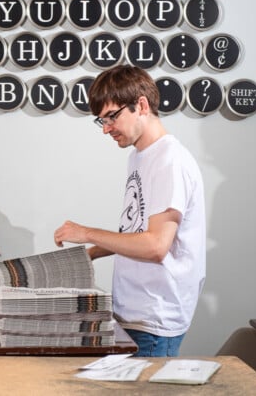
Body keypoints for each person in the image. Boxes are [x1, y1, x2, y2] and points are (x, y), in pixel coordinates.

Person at [53, 65, 206, 357]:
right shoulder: (140, 156)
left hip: (154, 319)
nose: (107, 128)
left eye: (112, 116)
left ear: (142, 105)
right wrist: (91, 252)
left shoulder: (169, 161)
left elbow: (156, 246)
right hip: (134, 311)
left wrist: (85, 232)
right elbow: (137, 232)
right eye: (101, 121)